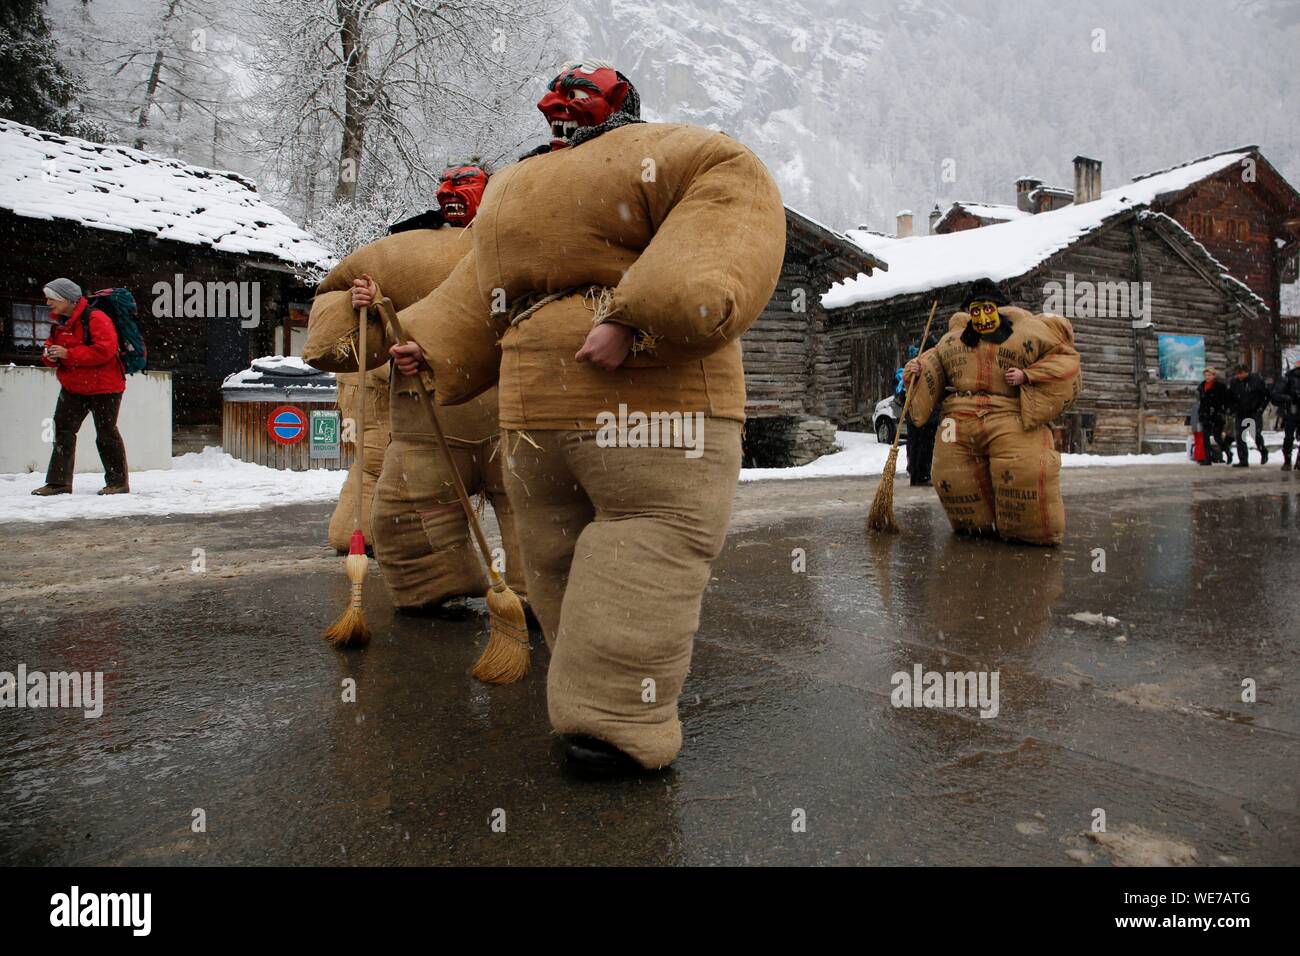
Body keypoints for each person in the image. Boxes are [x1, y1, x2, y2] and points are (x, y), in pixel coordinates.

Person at [392, 60, 786, 775]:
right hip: (569, 415)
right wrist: (429, 348)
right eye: (558, 98)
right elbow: (480, 290)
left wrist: (637, 317)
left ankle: (606, 720)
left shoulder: (647, 159)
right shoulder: (536, 184)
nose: (561, 110)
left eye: (577, 98)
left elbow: (726, 207)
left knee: (614, 556)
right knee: (593, 560)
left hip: (606, 406)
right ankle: (602, 716)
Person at [303, 163, 526, 612]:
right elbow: (342, 334)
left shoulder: (520, 239)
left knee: (529, 507)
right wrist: (362, 305)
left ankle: (534, 593)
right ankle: (436, 585)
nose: (449, 189)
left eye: (464, 181)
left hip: (510, 411)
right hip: (425, 413)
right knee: (407, 508)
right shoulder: (402, 250)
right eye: (444, 181)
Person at [903, 278, 1081, 546]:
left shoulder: (1028, 332)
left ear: (997, 309)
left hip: (1009, 412)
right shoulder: (954, 340)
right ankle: (974, 526)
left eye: (988, 309)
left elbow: (1065, 359)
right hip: (960, 415)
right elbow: (933, 362)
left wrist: (1028, 375)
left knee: (1024, 471)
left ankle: (1027, 531)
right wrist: (916, 370)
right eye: (976, 311)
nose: (983, 317)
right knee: (951, 476)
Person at [32, 278, 129, 496]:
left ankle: (118, 482)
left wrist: (69, 354)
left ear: (66, 299)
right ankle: (59, 483)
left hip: (105, 387)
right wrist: (50, 355)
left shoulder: (96, 318)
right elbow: (51, 348)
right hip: (73, 386)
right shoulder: (60, 323)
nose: (48, 303)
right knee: (63, 430)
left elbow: (105, 350)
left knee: (106, 433)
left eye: (51, 298)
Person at [904, 336, 941, 486]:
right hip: (918, 410)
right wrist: (914, 372)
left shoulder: (934, 364)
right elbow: (907, 375)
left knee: (923, 443)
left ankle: (920, 473)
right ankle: (917, 473)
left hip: (929, 410)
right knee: (919, 443)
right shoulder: (915, 363)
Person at [1227, 364, 1269, 468]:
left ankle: (1263, 451)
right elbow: (1230, 397)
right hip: (1240, 412)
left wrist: (1260, 408)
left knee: (1255, 434)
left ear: (1247, 372)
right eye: (1237, 374)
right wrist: (1232, 409)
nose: (1239, 376)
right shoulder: (1234, 382)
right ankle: (1243, 460)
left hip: (1254, 412)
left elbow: (1265, 395)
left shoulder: (1256, 380)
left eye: (1241, 373)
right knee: (1240, 437)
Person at [1195, 367, 1232, 465]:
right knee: (1205, 437)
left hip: (1216, 414)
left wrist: (1222, 411)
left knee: (1217, 437)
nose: (1207, 377)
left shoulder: (1220, 386)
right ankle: (1207, 459)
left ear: (1213, 376)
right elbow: (1200, 401)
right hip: (1205, 414)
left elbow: (1226, 400)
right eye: (1206, 375)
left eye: (1209, 375)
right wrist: (1200, 412)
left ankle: (1228, 452)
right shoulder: (1202, 386)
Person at [1272, 360, 1300, 471]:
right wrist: (1289, 398)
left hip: (1290, 412)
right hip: (1291, 411)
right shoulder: (1288, 378)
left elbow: (1276, 394)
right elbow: (1276, 395)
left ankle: (1288, 461)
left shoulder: (1287, 377)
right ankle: (1290, 460)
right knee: (1288, 437)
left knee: (1288, 438)